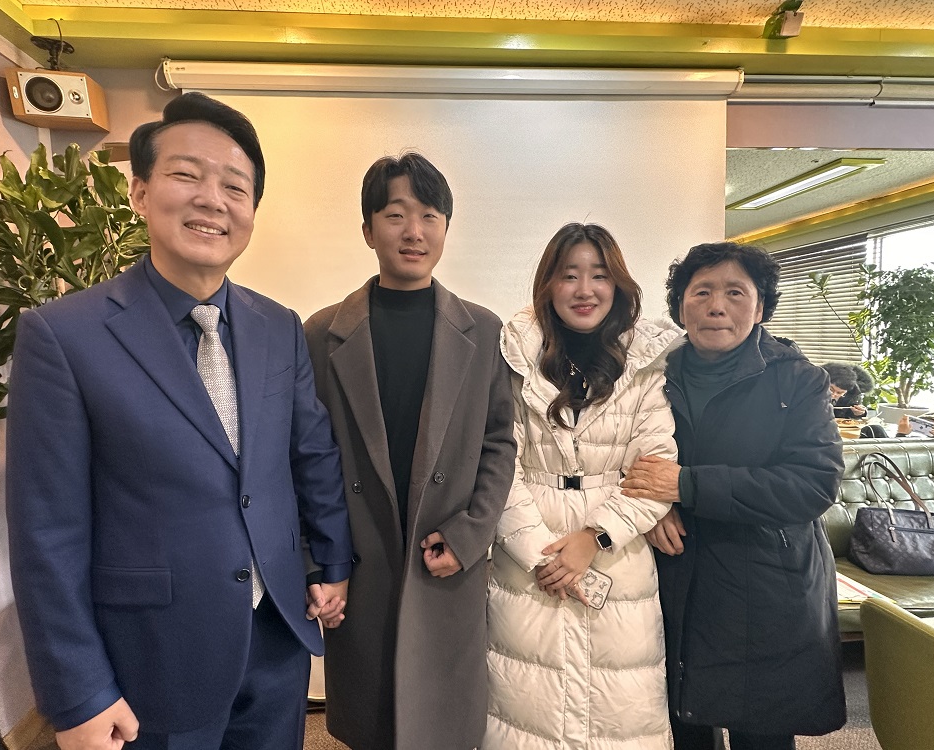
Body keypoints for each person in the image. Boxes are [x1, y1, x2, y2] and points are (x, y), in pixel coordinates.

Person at [6, 92, 353, 750]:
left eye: (235, 186)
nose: (212, 199)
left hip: (275, 638)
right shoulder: (63, 335)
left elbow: (310, 455)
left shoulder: (278, 325)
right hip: (153, 654)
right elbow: (46, 532)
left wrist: (331, 560)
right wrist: (78, 693)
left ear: (252, 211)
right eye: (186, 175)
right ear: (140, 193)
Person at [304, 152, 516, 750]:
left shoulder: (483, 330)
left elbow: (500, 441)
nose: (414, 231)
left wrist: (471, 534)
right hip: (359, 559)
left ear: (446, 227)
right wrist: (320, 563)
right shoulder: (321, 332)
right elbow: (305, 455)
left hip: (443, 554)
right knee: (371, 716)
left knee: (443, 719)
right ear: (368, 229)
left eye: (429, 215)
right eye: (395, 215)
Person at [623, 242, 846, 750]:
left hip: (765, 583)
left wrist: (686, 486)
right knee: (682, 724)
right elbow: (621, 453)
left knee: (760, 730)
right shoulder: (651, 375)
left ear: (761, 307)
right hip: (676, 577)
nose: (716, 306)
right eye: (701, 292)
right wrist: (652, 507)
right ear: (680, 305)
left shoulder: (798, 380)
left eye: (735, 293)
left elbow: (812, 485)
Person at [483, 223, 679, 750]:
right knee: (526, 710)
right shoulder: (515, 356)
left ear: (618, 285)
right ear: (548, 284)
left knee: (622, 711)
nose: (585, 289)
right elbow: (499, 463)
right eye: (569, 275)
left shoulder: (645, 363)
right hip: (529, 557)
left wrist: (594, 538)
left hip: (617, 555)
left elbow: (655, 470)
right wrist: (539, 555)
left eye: (599, 275)